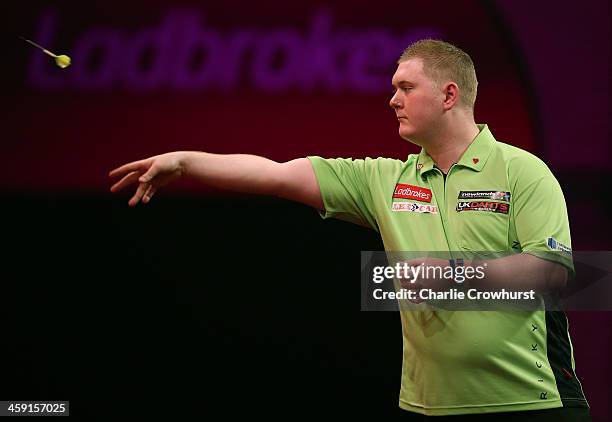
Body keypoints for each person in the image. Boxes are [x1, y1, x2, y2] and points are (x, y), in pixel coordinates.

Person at [109, 39, 591, 420]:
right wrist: (187, 161)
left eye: (406, 87)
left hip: (532, 403)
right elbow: (277, 174)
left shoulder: (522, 172)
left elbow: (550, 274)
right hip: (428, 406)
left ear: (449, 95)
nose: (392, 99)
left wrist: (449, 277)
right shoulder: (384, 180)